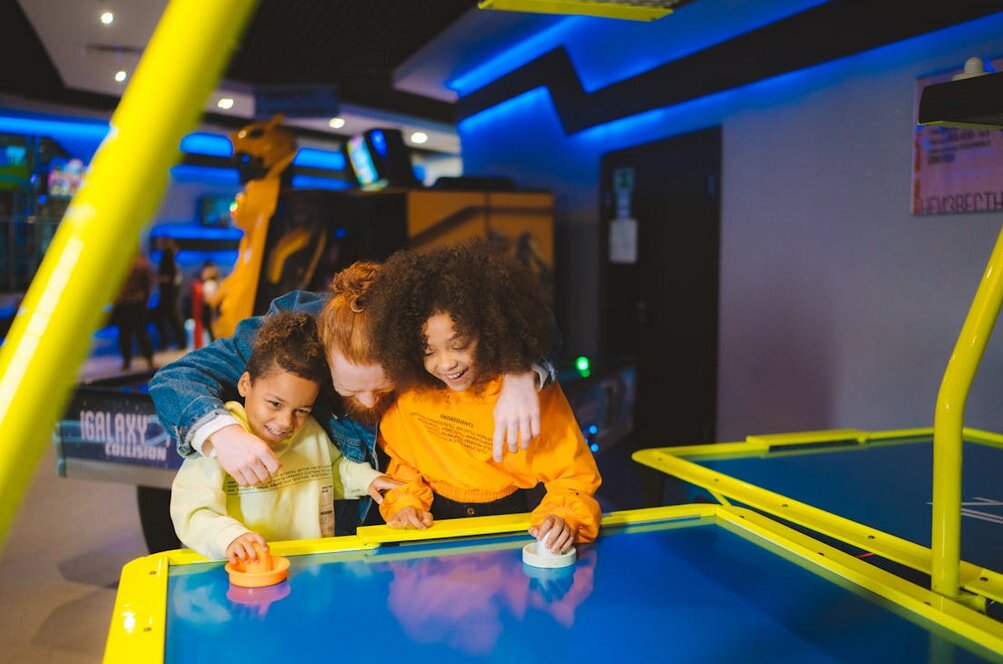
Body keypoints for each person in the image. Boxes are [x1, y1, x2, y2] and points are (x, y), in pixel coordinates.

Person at [150, 262, 549, 535]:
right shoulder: (297, 335)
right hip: (340, 529)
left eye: (384, 384)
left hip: (437, 506)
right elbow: (178, 378)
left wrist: (519, 371)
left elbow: (520, 316)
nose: (370, 400)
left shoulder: (424, 323)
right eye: (350, 388)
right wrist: (224, 434)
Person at [367, 241, 601, 551]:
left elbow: (573, 477)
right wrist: (405, 504)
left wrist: (562, 517)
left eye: (460, 344)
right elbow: (403, 465)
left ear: (489, 329)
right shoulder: (411, 393)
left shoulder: (527, 391)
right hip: (430, 534)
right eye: (428, 351)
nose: (446, 362)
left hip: (513, 527)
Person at [170, 310, 399, 561]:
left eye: (301, 410)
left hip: (312, 570)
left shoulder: (311, 431)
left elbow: (332, 470)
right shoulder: (217, 442)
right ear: (245, 384)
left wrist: (367, 479)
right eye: (275, 404)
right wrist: (230, 537)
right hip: (242, 576)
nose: (286, 422)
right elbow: (191, 511)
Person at [112, 252, 155, 371]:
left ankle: (133, 361)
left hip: (130, 303)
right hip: (132, 303)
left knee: (131, 333)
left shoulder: (123, 263)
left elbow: (147, 283)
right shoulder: (141, 263)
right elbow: (148, 283)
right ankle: (146, 360)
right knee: (136, 333)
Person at [155, 237, 186, 350]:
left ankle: (171, 343)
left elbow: (170, 277)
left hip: (169, 294)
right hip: (172, 294)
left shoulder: (166, 256)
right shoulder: (172, 257)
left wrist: (159, 278)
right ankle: (179, 342)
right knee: (173, 318)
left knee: (170, 318)